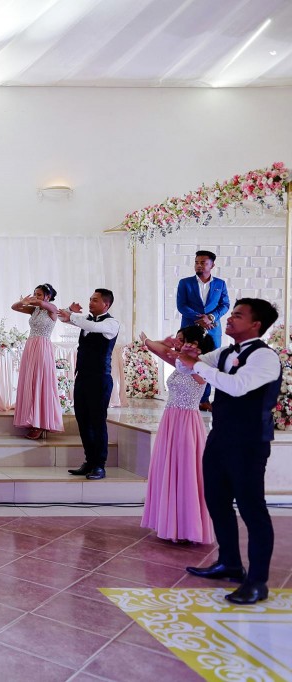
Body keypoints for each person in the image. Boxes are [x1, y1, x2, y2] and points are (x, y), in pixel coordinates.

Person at [177, 298, 280, 605]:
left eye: (237, 315)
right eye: (231, 314)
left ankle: (257, 581)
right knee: (217, 500)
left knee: (252, 509)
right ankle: (230, 562)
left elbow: (236, 386)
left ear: (256, 324)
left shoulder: (266, 358)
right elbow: (194, 365)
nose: (230, 319)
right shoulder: (226, 351)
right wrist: (188, 355)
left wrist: (198, 366)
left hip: (249, 443)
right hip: (220, 437)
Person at [138, 326, 215, 544]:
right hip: (171, 420)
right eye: (179, 340)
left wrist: (177, 350)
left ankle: (189, 527)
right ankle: (170, 523)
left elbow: (197, 371)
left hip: (187, 423)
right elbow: (153, 346)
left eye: (184, 340)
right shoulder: (180, 362)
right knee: (169, 469)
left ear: (196, 344)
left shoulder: (201, 367)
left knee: (187, 471)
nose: (179, 344)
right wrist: (166, 343)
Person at [58, 288, 120, 480]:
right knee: (83, 420)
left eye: (95, 300)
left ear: (106, 304)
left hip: (100, 379)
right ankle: (89, 461)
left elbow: (92, 327)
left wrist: (73, 316)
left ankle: (100, 465)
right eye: (90, 299)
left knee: (97, 421)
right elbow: (63, 318)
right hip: (82, 377)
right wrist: (70, 310)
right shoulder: (86, 320)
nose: (91, 303)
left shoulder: (111, 323)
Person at [177, 250, 230, 411]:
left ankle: (205, 399)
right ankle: (186, 397)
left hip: (213, 330)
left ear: (212, 265)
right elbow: (181, 305)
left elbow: (225, 305)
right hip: (189, 329)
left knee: (210, 362)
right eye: (197, 262)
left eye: (203, 263)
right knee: (186, 360)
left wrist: (211, 318)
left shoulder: (220, 284)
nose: (199, 265)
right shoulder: (185, 283)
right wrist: (200, 318)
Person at [11, 283, 63, 439]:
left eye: (39, 294)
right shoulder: (35, 309)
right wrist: (23, 302)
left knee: (42, 381)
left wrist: (35, 300)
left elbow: (43, 304)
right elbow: (14, 307)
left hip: (42, 346)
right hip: (30, 345)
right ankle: (31, 418)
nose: (36, 296)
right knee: (30, 381)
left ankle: (41, 423)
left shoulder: (52, 309)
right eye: (35, 293)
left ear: (48, 296)